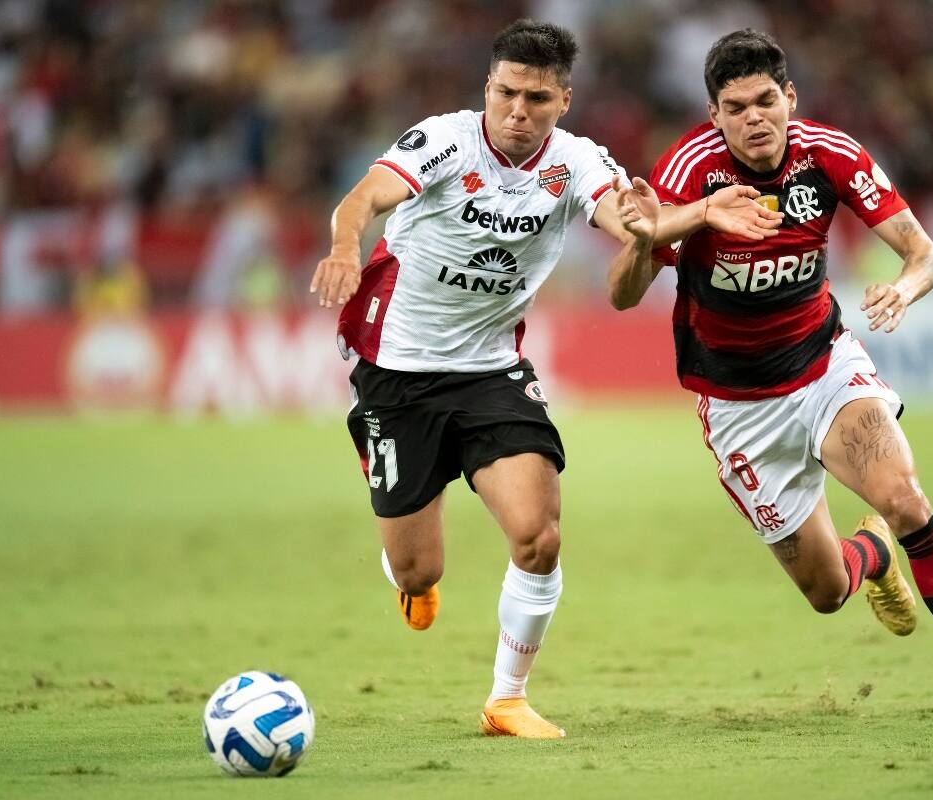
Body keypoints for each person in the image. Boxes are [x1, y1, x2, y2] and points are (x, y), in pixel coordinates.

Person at [309, 20, 781, 739]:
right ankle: (409, 569)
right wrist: (346, 249)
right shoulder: (444, 139)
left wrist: (696, 215)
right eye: (505, 93)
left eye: (535, 97)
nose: (517, 111)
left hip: (492, 369)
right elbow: (362, 199)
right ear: (487, 90)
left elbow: (631, 227)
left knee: (539, 536)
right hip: (396, 372)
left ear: (564, 99)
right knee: (417, 572)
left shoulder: (577, 162)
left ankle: (507, 699)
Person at [609, 29, 933, 735]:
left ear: (789, 98)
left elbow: (925, 255)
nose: (753, 118)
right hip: (737, 405)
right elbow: (623, 292)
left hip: (823, 367)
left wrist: (906, 288)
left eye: (763, 101)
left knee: (906, 496)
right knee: (827, 590)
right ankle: (871, 555)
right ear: (714, 115)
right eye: (733, 107)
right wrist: (655, 232)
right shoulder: (690, 168)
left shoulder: (832, 155)